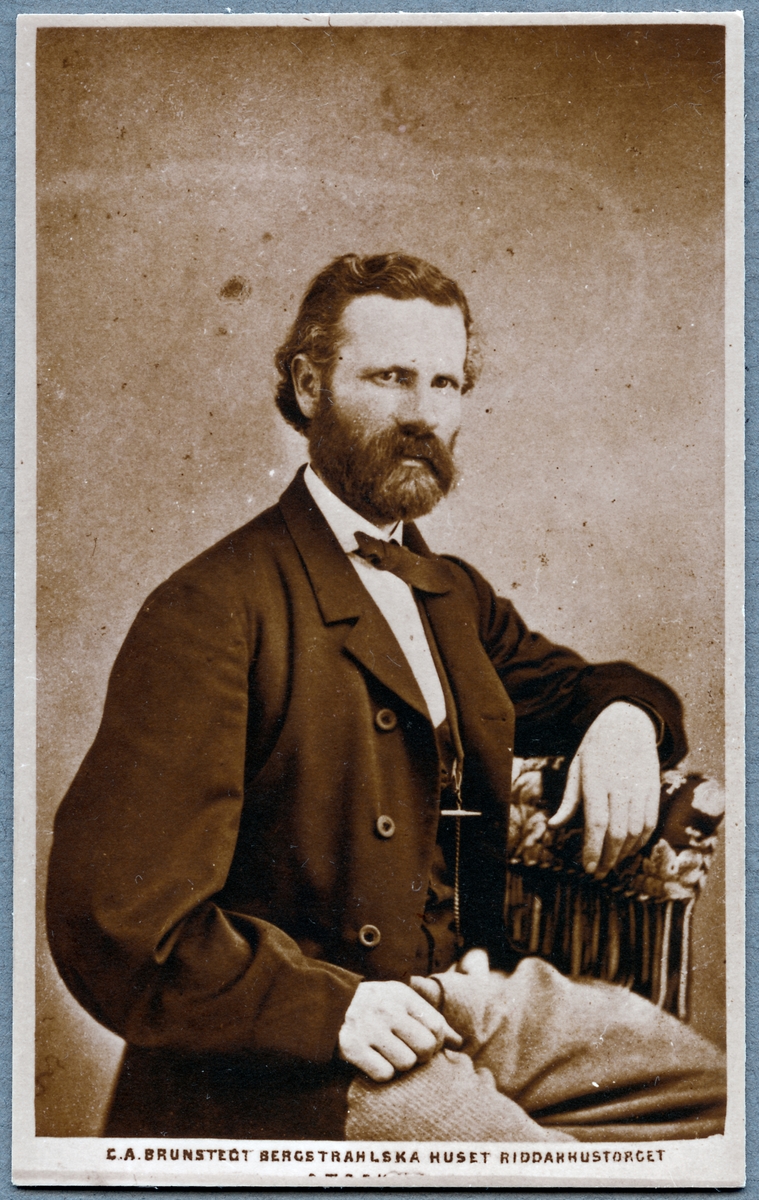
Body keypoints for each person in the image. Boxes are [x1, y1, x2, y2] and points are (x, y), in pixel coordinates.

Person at [46, 252, 725, 1142]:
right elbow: (117, 921)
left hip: (454, 999)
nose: (422, 413)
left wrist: (625, 719)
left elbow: (579, 687)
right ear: (309, 385)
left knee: (716, 1101)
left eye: (444, 383)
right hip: (292, 1055)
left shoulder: (448, 592)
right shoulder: (210, 612)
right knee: (541, 1178)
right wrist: (329, 1012)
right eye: (390, 377)